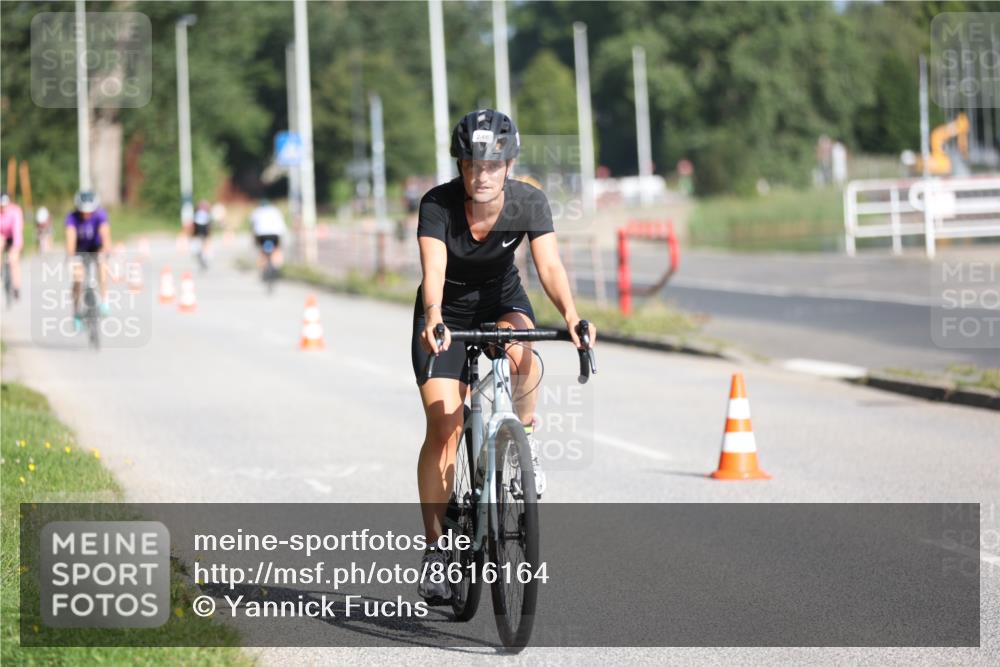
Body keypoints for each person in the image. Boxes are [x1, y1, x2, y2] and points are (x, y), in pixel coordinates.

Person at [412, 109, 596, 604]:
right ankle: (435, 551)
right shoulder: (438, 204)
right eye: (472, 164)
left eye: (493, 165)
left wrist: (574, 316)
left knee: (523, 351)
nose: (482, 174)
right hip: (444, 311)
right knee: (444, 428)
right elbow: (433, 267)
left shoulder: (528, 202)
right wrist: (433, 316)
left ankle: (525, 438)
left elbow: (550, 266)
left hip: (501, 302)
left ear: (509, 165)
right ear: (461, 165)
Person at [65, 191, 111, 328]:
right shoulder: (72, 218)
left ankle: (104, 301)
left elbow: (105, 236)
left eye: (89, 211)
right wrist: (71, 257)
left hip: (96, 247)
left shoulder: (100, 215)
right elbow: (70, 239)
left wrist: (106, 251)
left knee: (102, 265)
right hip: (80, 248)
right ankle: (77, 311)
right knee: (78, 277)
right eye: (83, 211)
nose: (86, 214)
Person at [249, 199, 287, 272]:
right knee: (277, 249)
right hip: (275, 233)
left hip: (261, 234)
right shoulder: (275, 210)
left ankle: (261, 267)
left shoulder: (257, 211)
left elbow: (252, 225)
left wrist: (253, 237)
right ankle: (278, 267)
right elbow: (281, 224)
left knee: (261, 250)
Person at [0, 193, 24, 301]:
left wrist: (15, 247)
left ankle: (16, 287)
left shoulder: (15, 211)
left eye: (4, 206)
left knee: (13, 260)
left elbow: (17, 231)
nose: (3, 208)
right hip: (2, 235)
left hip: (14, 236)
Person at [191, 200, 213, 268]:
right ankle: (203, 255)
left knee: (200, 244)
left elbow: (194, 224)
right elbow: (209, 225)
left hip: (199, 230)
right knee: (204, 243)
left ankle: (200, 253)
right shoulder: (206, 214)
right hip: (203, 230)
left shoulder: (197, 213)